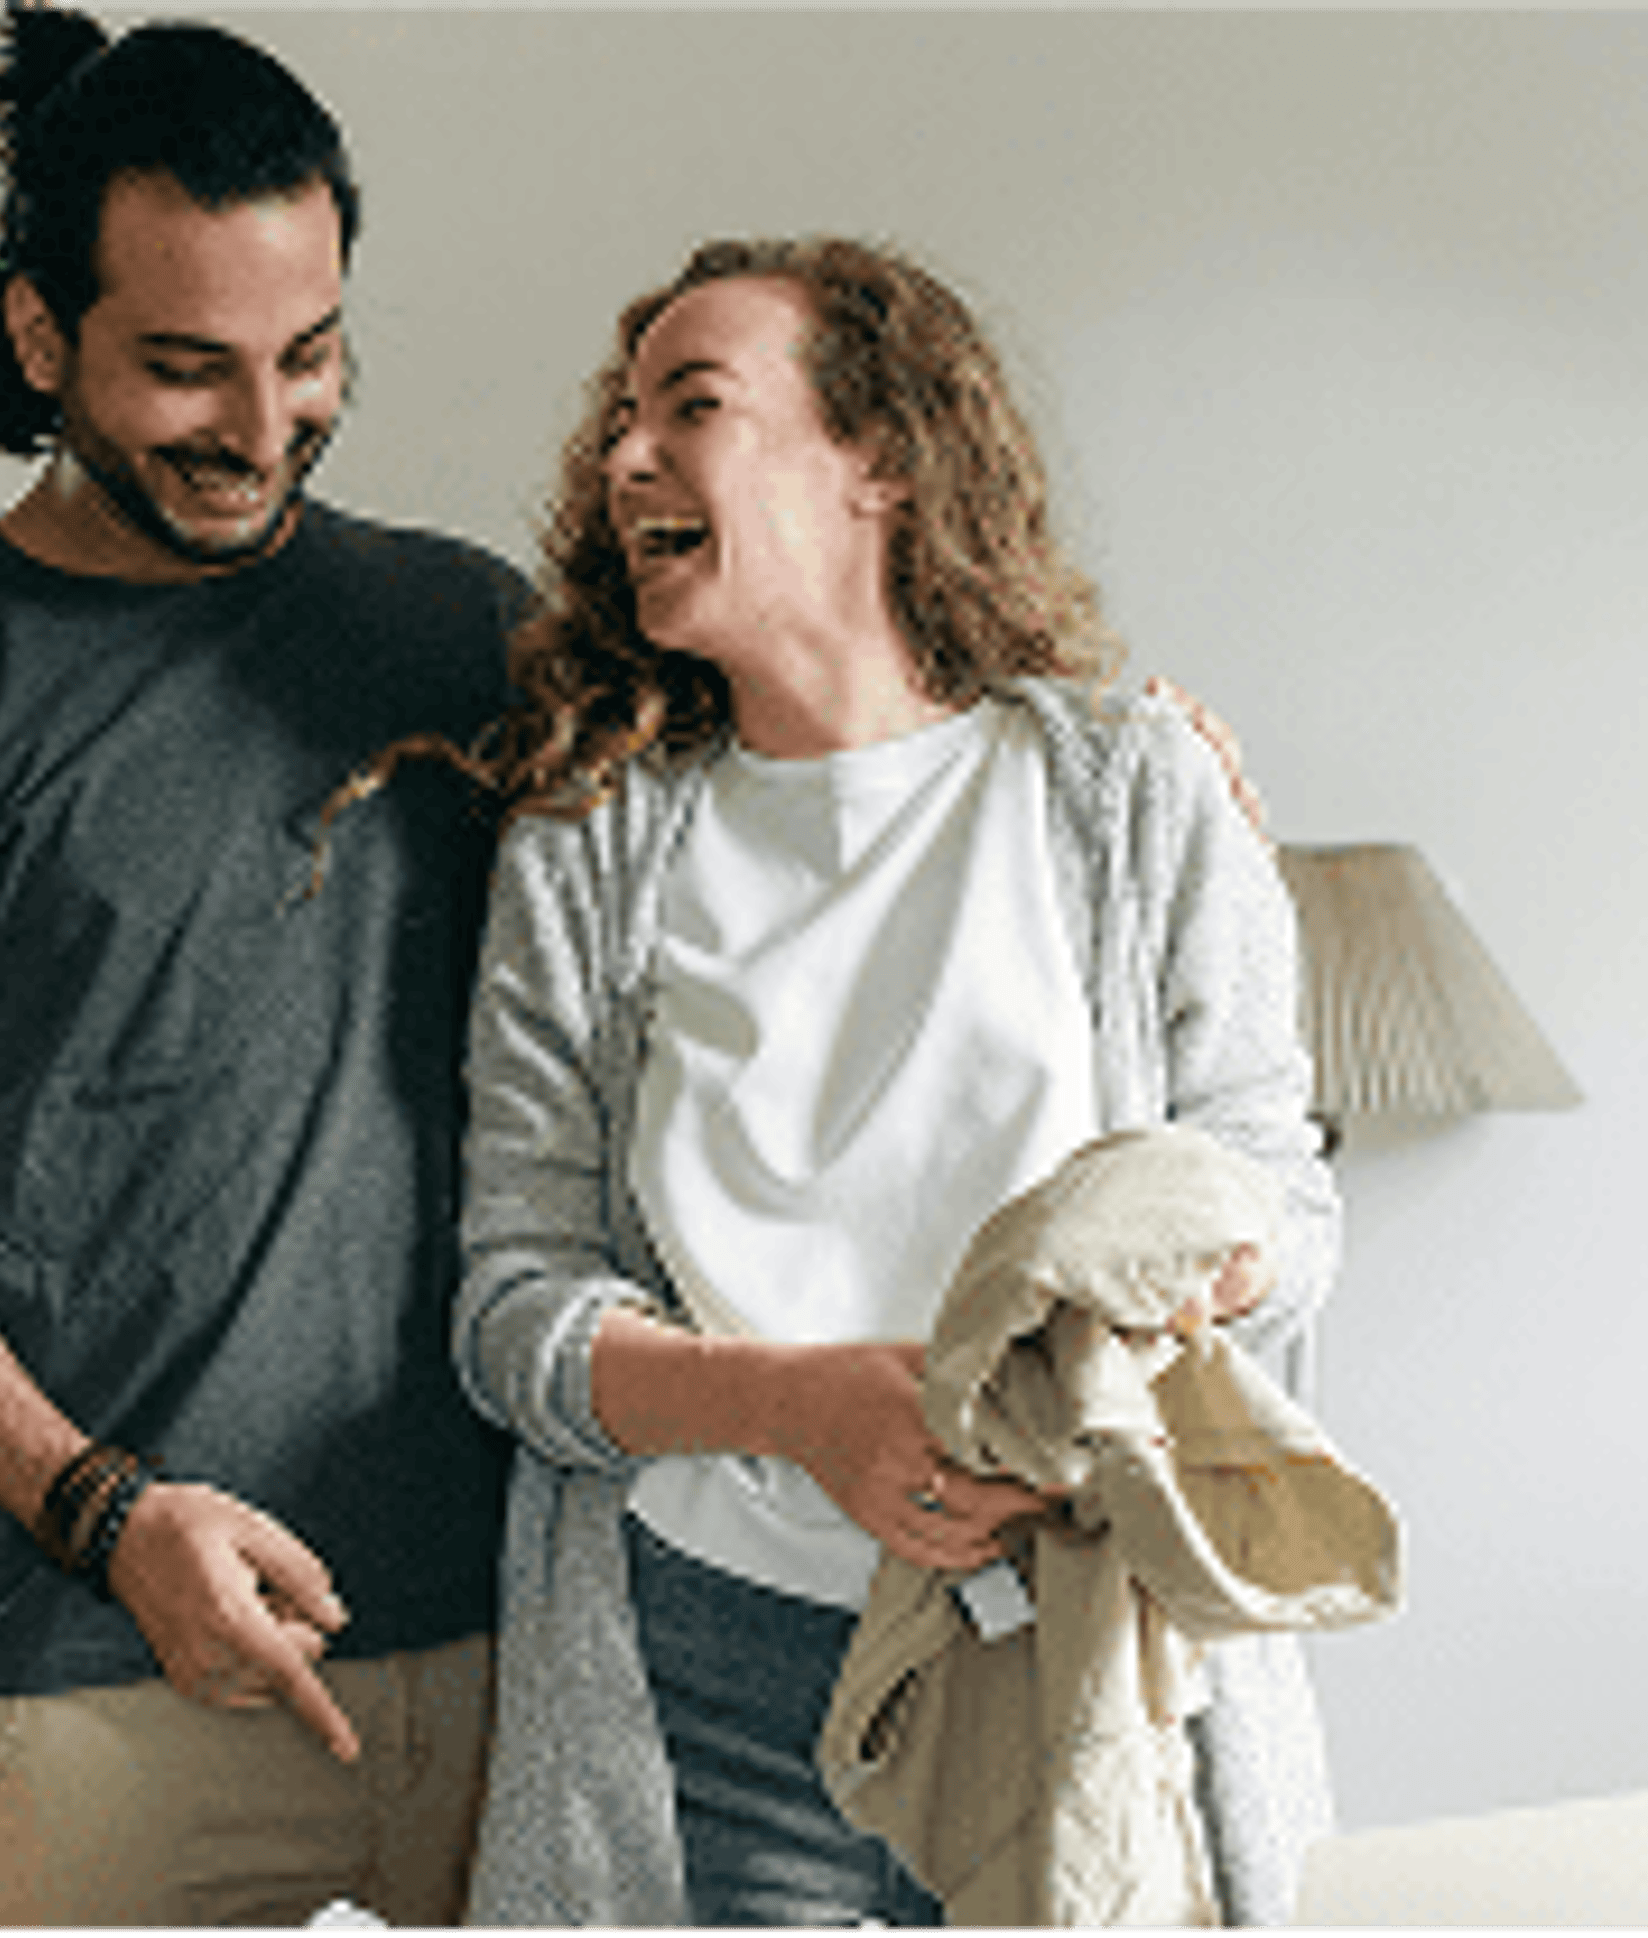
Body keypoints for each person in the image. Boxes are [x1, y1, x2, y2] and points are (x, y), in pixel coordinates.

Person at [444, 237, 1347, 1930]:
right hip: (704, 1680)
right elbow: (513, 1309)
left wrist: (1176, 1284)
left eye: (690, 407)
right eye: (622, 422)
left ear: (882, 460)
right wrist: (800, 1410)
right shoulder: (589, 852)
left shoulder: (1134, 791)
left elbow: (1284, 1201)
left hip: (1082, 1652)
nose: (626, 456)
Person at [0, 7, 524, 1927]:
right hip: (102, 1669)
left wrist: (1123, 770)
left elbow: (782, 835)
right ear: (38, 335)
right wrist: (107, 1511)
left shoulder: (466, 625)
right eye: (186, 370)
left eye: (310, 354)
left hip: (513, 1647)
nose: (263, 430)